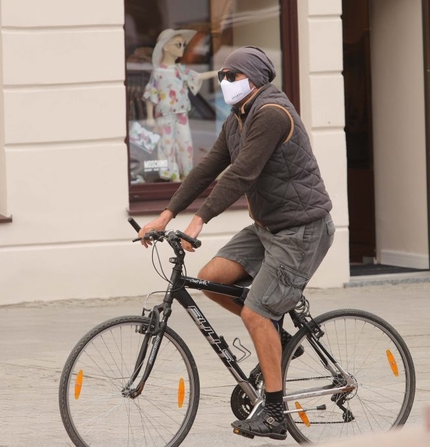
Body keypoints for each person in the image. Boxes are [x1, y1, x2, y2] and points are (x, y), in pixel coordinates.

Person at [138, 46, 334, 441]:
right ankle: (279, 341)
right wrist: (166, 214)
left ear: (253, 79)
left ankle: (276, 413)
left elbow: (241, 175)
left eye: (232, 75)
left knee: (256, 313)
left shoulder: (272, 114)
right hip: (268, 228)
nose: (225, 81)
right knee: (213, 278)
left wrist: (199, 221)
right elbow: (209, 168)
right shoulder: (238, 119)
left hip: (302, 230)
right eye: (223, 75)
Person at [143, 28, 218, 182]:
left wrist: (217, 72)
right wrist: (149, 117)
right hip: (164, 114)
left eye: (183, 44)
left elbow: (197, 76)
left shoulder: (180, 70)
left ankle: (186, 173)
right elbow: (151, 94)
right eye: (178, 44)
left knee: (186, 143)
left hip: (181, 114)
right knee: (167, 145)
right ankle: (172, 176)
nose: (183, 47)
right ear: (166, 47)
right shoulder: (158, 72)